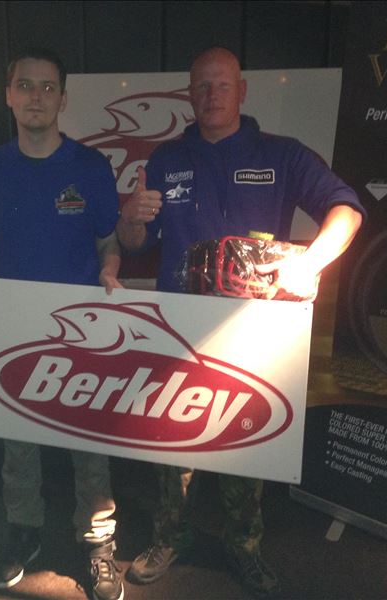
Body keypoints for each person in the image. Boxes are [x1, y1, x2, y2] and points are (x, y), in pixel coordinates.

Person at [117, 47, 365, 598]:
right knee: (171, 442)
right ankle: (169, 536)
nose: (211, 96)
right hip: (178, 327)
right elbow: (135, 242)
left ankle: (244, 547)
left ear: (242, 91)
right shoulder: (166, 159)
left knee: (245, 441)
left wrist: (311, 263)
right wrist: (129, 219)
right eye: (201, 86)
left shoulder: (281, 154)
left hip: (253, 331)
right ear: (189, 94)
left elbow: (346, 209)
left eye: (222, 85)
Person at [0, 48, 124, 600]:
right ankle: (24, 530)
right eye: (25, 86)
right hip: (15, 325)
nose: (36, 96)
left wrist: (110, 269)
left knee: (88, 442)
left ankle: (97, 539)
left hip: (83, 328)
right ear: (8, 95)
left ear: (63, 99)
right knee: (19, 443)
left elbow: (109, 241)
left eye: (47, 87)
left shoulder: (90, 167)